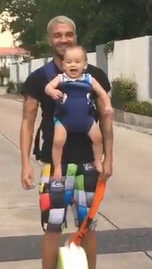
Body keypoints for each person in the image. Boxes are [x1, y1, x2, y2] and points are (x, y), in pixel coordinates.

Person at [19, 15, 113, 269]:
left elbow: (106, 118)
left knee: (88, 229)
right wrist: (24, 164)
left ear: (75, 38)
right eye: (58, 35)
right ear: (50, 40)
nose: (64, 39)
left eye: (69, 34)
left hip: (89, 164)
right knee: (53, 228)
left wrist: (108, 158)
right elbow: (27, 120)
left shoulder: (93, 73)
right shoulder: (41, 78)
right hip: (53, 167)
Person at [45, 45, 113, 178]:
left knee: (98, 139)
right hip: (64, 120)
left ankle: (97, 161)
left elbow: (103, 94)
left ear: (85, 65)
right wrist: (52, 91)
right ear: (63, 65)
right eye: (69, 62)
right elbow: (47, 87)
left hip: (86, 119)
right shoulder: (61, 78)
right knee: (58, 142)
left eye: (77, 62)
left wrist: (108, 105)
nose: (73, 65)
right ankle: (57, 168)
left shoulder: (89, 79)